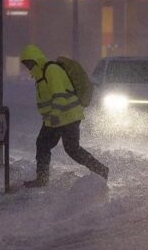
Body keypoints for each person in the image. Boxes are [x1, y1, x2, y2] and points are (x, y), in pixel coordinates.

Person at [20, 44, 108, 187]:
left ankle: (101, 170)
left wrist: (54, 114)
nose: (28, 66)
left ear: (36, 59)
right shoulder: (40, 74)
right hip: (55, 119)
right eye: (26, 64)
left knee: (71, 149)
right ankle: (42, 178)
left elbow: (60, 95)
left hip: (67, 116)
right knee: (43, 144)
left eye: (29, 63)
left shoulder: (51, 70)